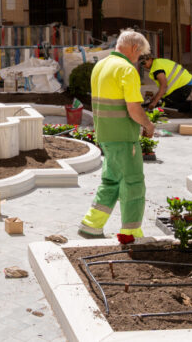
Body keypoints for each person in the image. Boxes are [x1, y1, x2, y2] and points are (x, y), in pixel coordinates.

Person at [77, 29, 157, 243]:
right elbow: (134, 109)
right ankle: (131, 233)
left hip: (105, 133)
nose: (139, 59)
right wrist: (148, 125)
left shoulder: (100, 65)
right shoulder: (127, 70)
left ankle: (91, 225)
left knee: (111, 180)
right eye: (140, 55)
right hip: (124, 136)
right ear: (133, 48)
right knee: (133, 183)